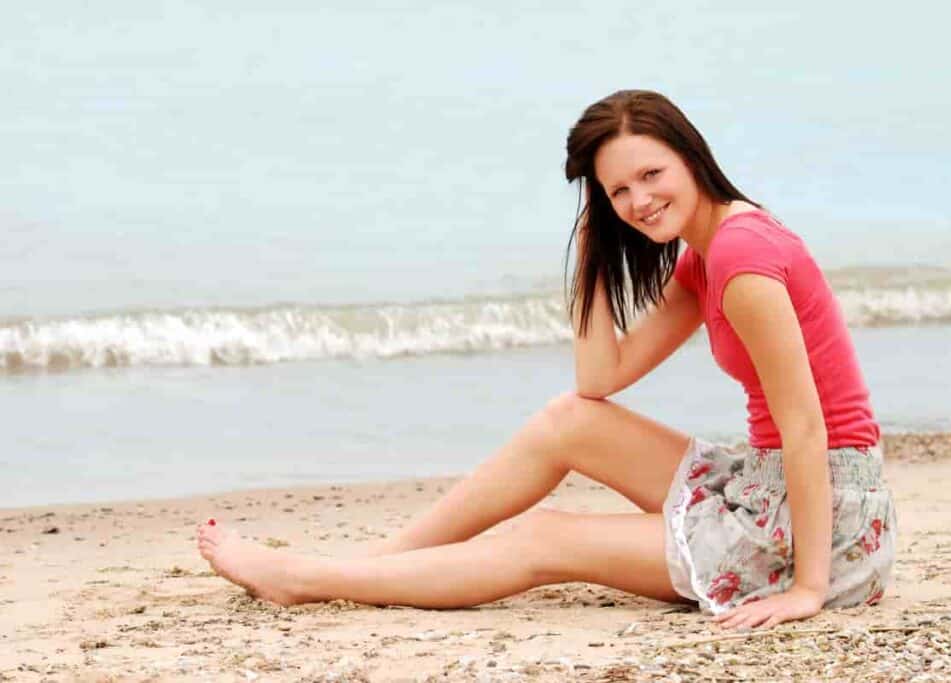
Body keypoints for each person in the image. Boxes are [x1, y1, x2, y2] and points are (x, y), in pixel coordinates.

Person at [197, 89, 896, 631]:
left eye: (651, 174)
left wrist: (807, 589)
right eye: (618, 190)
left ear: (692, 155)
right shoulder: (709, 251)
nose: (639, 200)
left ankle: (308, 578)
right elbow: (600, 380)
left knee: (542, 539)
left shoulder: (743, 260)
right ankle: (377, 561)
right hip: (773, 488)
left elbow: (807, 426)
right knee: (571, 420)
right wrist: (594, 242)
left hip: (821, 526)